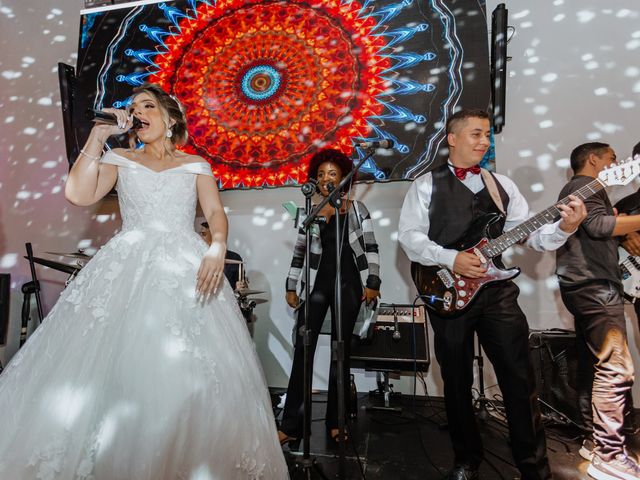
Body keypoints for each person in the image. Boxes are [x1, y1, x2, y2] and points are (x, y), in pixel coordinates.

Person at [0, 83, 288, 479]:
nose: (139, 112)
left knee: (187, 373)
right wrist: (99, 135)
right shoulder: (120, 158)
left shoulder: (195, 164)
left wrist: (217, 245)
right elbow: (78, 194)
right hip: (127, 263)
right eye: (134, 107)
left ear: (170, 119)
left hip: (185, 265)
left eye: (148, 105)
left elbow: (216, 214)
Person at [398, 108, 587, 480]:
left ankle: (533, 467)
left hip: (498, 293)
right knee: (455, 381)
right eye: (476, 134)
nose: (484, 141)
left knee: (520, 379)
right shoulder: (424, 185)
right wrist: (452, 259)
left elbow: (531, 236)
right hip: (447, 293)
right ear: (452, 138)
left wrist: (565, 227)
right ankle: (466, 458)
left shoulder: (503, 186)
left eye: (487, 135)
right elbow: (410, 237)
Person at [278, 148, 381, 445]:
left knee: (341, 351)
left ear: (344, 178)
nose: (326, 179)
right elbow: (299, 252)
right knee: (303, 346)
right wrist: (290, 284)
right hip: (318, 286)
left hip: (350, 285)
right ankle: (292, 425)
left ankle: (337, 422)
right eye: (321, 174)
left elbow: (371, 246)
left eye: (332, 174)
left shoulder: (357, 208)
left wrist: (373, 280)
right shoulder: (310, 212)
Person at [556, 142, 640, 480]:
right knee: (615, 369)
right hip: (593, 285)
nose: (615, 163)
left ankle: (596, 442)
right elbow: (599, 226)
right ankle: (608, 455)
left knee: (598, 367)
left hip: (588, 285)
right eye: (611, 158)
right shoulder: (580, 187)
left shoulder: (584, 190)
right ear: (593, 160)